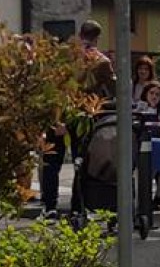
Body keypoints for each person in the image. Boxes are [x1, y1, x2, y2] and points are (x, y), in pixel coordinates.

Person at [41, 20, 116, 217]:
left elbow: (51, 84)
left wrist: (56, 118)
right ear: (97, 38)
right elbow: (114, 90)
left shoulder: (63, 53)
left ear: (80, 34)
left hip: (58, 113)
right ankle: (77, 208)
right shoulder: (102, 61)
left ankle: (49, 207)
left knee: (51, 163)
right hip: (82, 117)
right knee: (80, 164)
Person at [139, 81, 160, 210]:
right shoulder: (139, 110)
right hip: (143, 150)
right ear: (145, 94)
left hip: (159, 149)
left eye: (157, 94)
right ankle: (143, 200)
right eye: (151, 93)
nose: (154, 96)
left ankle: (159, 198)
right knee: (148, 171)